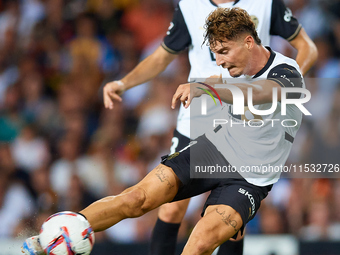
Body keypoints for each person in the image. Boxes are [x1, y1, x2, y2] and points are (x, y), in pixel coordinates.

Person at [22, 7, 306, 255]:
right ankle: (57, 234)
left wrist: (210, 88)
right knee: (136, 199)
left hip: (250, 178)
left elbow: (262, 94)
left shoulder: (287, 72)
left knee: (198, 244)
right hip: (212, 153)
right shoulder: (226, 73)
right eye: (215, 54)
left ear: (248, 42)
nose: (218, 61)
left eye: (223, 52)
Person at [103, 1, 317, 254]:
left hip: (247, 108)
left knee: (231, 217)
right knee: (172, 206)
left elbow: (307, 47)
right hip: (200, 111)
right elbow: (162, 55)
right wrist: (124, 83)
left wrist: (282, 89)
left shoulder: (265, 3)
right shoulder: (190, 6)